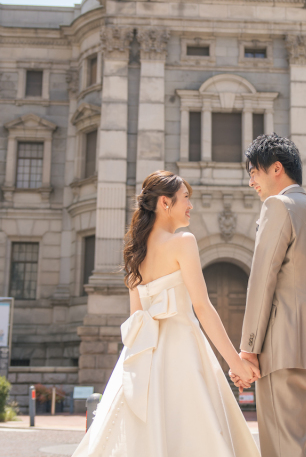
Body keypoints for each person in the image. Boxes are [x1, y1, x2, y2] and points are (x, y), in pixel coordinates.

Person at [71, 171, 261, 457]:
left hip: (142, 354)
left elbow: (136, 317)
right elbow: (202, 307)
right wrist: (236, 363)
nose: (190, 205)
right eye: (185, 198)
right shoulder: (184, 242)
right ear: (164, 202)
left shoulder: (135, 252)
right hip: (183, 349)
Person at [229, 134, 306, 457]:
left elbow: (262, 280)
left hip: (283, 349)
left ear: (276, 168)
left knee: (283, 448)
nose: (251, 182)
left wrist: (249, 349)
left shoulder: (278, 206)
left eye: (253, 173)